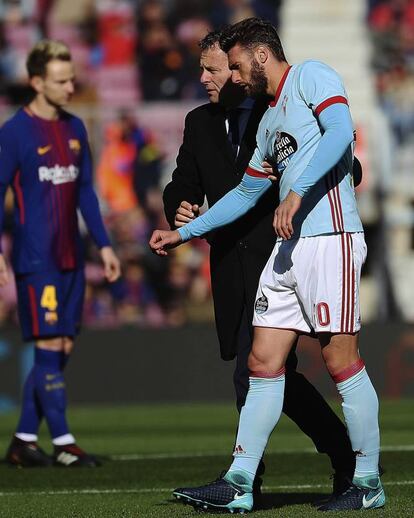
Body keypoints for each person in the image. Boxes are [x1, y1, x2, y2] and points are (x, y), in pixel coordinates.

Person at [150, 19, 384, 513]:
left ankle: (365, 481)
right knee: (261, 363)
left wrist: (297, 191)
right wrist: (183, 233)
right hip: (288, 248)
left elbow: (343, 131)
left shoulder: (311, 76)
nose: (233, 77)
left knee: (340, 362)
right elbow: (247, 191)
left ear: (259, 55)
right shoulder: (272, 119)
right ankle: (240, 482)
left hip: (330, 240)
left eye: (234, 65)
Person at [0, 40, 121, 467]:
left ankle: (23, 440)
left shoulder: (74, 128)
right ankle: (65, 443)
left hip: (73, 255)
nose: (70, 87)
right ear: (36, 82)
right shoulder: (14, 133)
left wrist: (104, 245)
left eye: (71, 79)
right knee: (50, 345)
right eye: (60, 80)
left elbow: (86, 191)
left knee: (62, 348)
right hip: (37, 258)